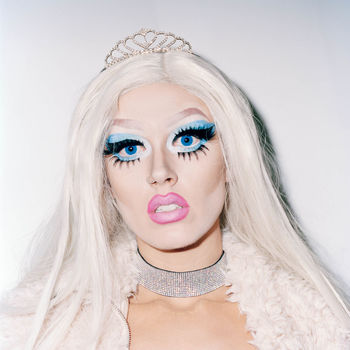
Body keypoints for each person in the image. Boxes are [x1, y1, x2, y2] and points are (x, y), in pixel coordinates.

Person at [1, 29, 349, 349]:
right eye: (130, 148)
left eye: (186, 140)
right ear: (102, 179)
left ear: (231, 159)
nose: (160, 173)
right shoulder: (34, 329)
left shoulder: (317, 327)